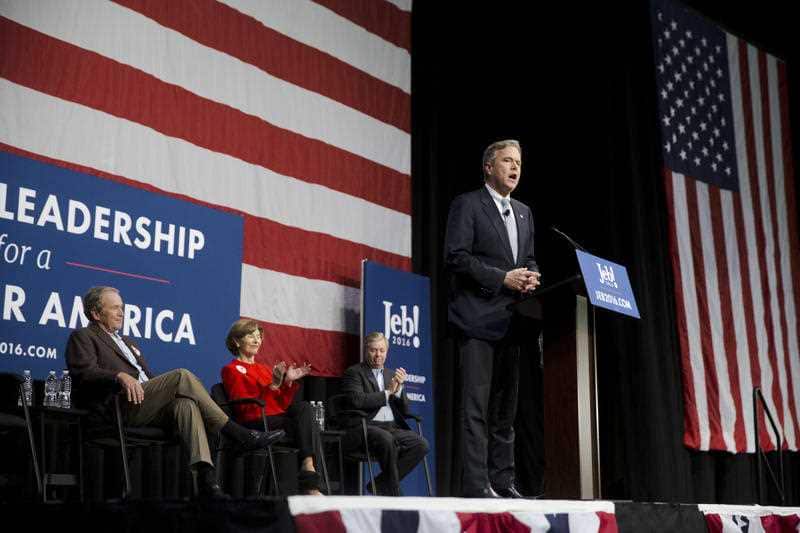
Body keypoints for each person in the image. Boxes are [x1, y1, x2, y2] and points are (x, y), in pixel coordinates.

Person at [65, 286, 285, 500]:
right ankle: (238, 434)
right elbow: (84, 372)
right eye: (114, 308)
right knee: (181, 375)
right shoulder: (83, 336)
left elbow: (147, 378)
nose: (121, 312)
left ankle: (206, 479)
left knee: (185, 405)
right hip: (118, 406)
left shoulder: (127, 342)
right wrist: (119, 376)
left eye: (122, 307)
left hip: (145, 403)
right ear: (96, 313)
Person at [444, 139, 541, 498]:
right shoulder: (468, 204)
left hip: (512, 324)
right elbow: (456, 257)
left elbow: (528, 258)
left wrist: (531, 275)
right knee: (476, 410)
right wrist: (502, 278)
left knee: (505, 411)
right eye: (507, 161)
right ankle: (477, 485)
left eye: (519, 163)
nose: (515, 168)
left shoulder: (524, 212)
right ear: (488, 167)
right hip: (476, 320)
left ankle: (503, 481)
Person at [221, 318, 322, 495]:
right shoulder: (231, 369)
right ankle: (310, 484)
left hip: (274, 418)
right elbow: (243, 408)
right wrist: (273, 386)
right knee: (306, 426)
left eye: (258, 337)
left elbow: (281, 404)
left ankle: (308, 468)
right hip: (253, 421)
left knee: (304, 408)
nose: (257, 340)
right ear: (236, 341)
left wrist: (287, 382)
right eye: (250, 336)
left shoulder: (265, 369)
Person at [340, 332, 429, 496]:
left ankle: (380, 484)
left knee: (421, 444)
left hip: (390, 427)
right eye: (373, 350)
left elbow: (405, 410)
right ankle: (395, 493)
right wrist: (388, 393)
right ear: (366, 350)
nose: (378, 355)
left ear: (387, 352)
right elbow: (357, 401)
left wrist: (399, 389)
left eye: (381, 350)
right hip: (365, 426)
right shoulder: (354, 373)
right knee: (386, 439)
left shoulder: (391, 375)